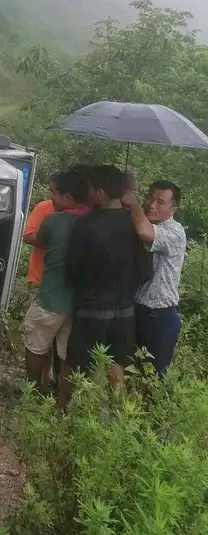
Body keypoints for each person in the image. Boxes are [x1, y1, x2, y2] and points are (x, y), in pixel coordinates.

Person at [66, 165, 154, 387]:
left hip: (91, 309)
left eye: (91, 189)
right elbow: (145, 272)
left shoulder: (84, 224)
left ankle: (72, 415)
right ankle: (119, 417)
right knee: (117, 368)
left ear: (101, 192)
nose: (88, 193)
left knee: (80, 369)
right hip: (124, 311)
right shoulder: (133, 224)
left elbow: (72, 269)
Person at [24, 169, 91, 406]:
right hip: (79, 303)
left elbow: (39, 239)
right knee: (67, 356)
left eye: (55, 193)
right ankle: (62, 405)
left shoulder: (54, 220)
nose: (52, 198)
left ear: (67, 196)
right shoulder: (94, 221)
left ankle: (32, 395)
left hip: (51, 297)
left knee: (35, 346)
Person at [122, 180, 186, 375]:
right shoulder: (144, 221)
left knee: (154, 377)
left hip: (160, 316)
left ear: (173, 209)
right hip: (138, 310)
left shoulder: (174, 231)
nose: (151, 204)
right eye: (150, 197)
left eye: (160, 202)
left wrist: (133, 205)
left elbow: (145, 233)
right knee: (132, 372)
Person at [23, 173, 63, 297]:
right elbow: (28, 236)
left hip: (61, 286)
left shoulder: (78, 213)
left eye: (54, 192)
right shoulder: (44, 207)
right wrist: (50, 238)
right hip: (38, 281)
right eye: (50, 191)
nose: (51, 196)